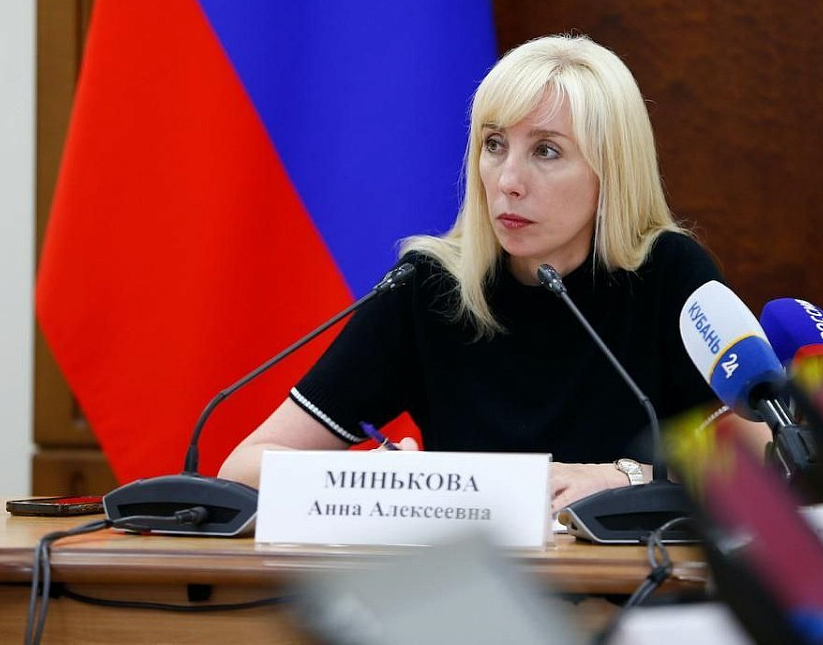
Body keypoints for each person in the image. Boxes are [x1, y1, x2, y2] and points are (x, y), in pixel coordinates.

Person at [219, 33, 756, 513]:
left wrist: (627, 478)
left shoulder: (668, 274)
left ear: (611, 171)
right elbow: (244, 468)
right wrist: (373, 482)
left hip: (632, 583)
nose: (507, 180)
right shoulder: (430, 286)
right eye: (494, 145)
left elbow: (766, 459)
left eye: (546, 150)